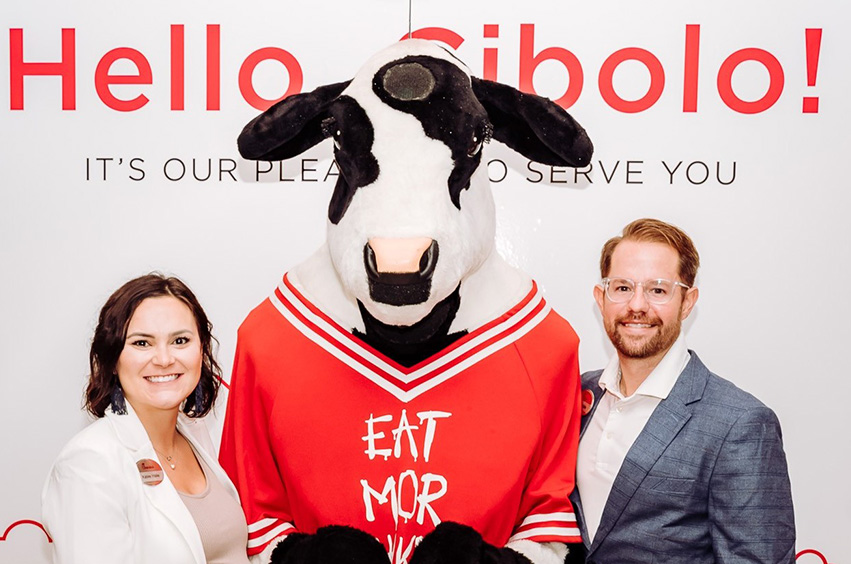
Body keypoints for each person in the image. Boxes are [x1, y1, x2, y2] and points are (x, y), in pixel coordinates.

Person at [569, 218, 795, 564]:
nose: (637, 305)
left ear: (687, 303)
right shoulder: (579, 392)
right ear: (601, 298)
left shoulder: (740, 423)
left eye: (658, 290)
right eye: (623, 288)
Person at [42, 274, 250, 564]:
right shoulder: (89, 463)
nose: (164, 359)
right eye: (142, 343)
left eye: (180, 340)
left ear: (201, 350)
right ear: (113, 359)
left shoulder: (197, 436)